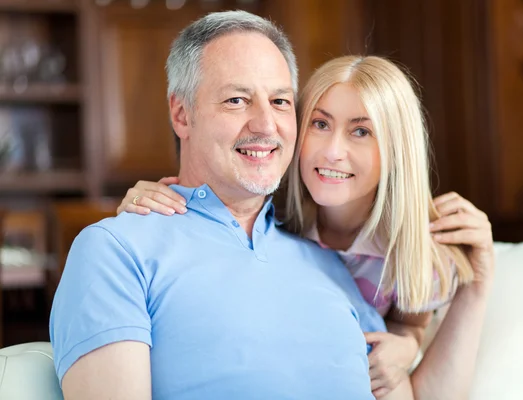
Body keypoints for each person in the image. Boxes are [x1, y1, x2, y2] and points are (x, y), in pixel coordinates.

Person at [49, 11, 398, 400]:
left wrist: (475, 287)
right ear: (182, 114)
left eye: (280, 101)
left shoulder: (330, 261)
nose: (266, 124)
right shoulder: (116, 251)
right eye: (237, 100)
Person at [119, 53, 495, 399]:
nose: (332, 151)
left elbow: (410, 325)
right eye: (319, 123)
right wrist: (144, 197)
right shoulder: (269, 212)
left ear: (398, 150)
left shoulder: (416, 247)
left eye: (361, 131)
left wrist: (410, 342)